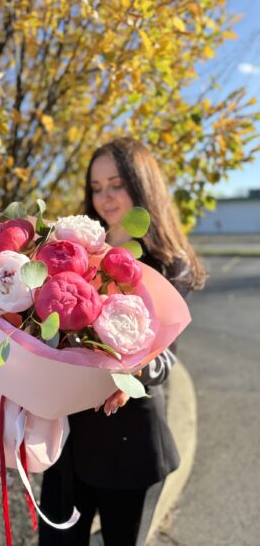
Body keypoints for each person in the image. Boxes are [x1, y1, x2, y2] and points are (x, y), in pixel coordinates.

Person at [38, 137, 206, 546]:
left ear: (142, 183)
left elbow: (165, 360)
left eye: (116, 184)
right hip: (68, 443)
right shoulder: (74, 250)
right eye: (96, 187)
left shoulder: (168, 263)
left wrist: (131, 367)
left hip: (128, 450)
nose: (105, 198)